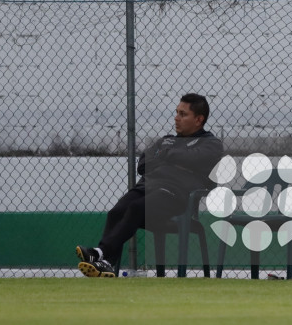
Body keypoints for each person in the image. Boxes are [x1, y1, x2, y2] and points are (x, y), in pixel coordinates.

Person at [75, 93, 224, 277]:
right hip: (147, 187)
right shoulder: (166, 139)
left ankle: (100, 254)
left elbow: (193, 158)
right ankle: (105, 263)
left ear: (199, 119)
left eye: (183, 114)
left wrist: (166, 156)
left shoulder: (210, 143)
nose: (176, 118)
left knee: (137, 208)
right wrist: (175, 159)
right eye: (176, 112)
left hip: (175, 195)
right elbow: (143, 163)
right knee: (117, 211)